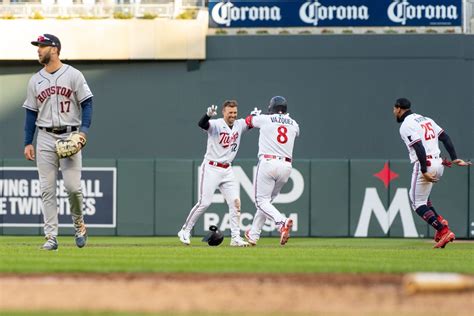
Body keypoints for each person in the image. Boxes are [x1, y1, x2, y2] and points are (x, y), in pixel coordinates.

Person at [23, 34, 93, 250]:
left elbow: (88, 103)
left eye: (42, 46)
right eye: (38, 46)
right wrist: (28, 142)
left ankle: (79, 224)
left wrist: (83, 132)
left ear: (54, 49)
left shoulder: (73, 75)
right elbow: (30, 114)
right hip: (44, 136)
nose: (38, 50)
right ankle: (51, 237)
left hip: (69, 135)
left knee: (72, 188)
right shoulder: (35, 80)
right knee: (47, 190)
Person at [393, 98, 471, 249]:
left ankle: (443, 230)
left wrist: (423, 170)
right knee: (424, 199)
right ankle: (440, 221)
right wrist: (454, 158)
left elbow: (418, 147)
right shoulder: (426, 119)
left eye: (394, 109)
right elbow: (445, 137)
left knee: (417, 203)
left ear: (398, 108)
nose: (393, 112)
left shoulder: (406, 125)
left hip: (426, 163)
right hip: (440, 163)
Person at [177, 100, 250, 247]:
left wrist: (256, 117)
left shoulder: (239, 124)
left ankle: (235, 238)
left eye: (235, 112)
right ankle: (185, 230)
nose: (233, 115)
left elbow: (251, 122)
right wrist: (207, 115)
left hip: (227, 169)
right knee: (204, 202)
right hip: (211, 167)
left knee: (235, 203)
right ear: (224, 112)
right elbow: (202, 124)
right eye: (230, 112)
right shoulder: (216, 124)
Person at [244, 96, 300, 246]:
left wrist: (256, 115)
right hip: (286, 167)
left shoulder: (265, 119)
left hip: (268, 163)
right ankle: (254, 234)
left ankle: (281, 222)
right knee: (266, 202)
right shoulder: (294, 123)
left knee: (260, 201)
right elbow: (295, 132)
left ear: (271, 108)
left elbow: (248, 120)